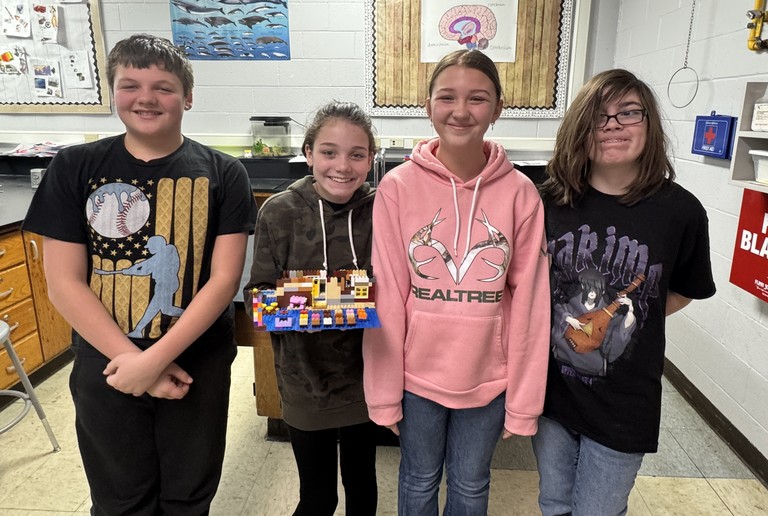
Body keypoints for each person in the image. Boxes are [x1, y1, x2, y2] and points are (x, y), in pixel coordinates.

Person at [22, 34, 257, 515]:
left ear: (187, 97)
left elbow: (222, 282)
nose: (146, 97)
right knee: (119, 497)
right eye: (130, 84)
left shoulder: (225, 173)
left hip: (197, 364)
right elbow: (64, 282)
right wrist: (136, 363)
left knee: (189, 495)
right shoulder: (74, 166)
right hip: (106, 363)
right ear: (113, 91)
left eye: (163, 87)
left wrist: (156, 361)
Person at [362, 49, 551, 515]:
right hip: (415, 376)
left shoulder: (521, 193)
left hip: (489, 378)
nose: (461, 111)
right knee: (418, 480)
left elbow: (530, 303)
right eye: (447, 97)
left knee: (470, 485)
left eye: (478, 98)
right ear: (428, 106)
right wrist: (383, 393)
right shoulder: (398, 188)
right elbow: (387, 291)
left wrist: (524, 401)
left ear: (498, 108)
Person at [532, 69, 716, 516]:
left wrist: (616, 328)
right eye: (599, 115)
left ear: (649, 125)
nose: (612, 124)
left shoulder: (681, 212)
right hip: (551, 393)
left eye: (628, 113)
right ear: (580, 128)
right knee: (554, 502)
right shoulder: (546, 200)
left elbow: (682, 292)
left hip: (624, 403)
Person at [244, 101, 379, 515]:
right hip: (304, 378)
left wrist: (316, 299)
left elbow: (400, 291)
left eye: (357, 154)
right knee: (318, 496)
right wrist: (353, 298)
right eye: (329, 152)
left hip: (368, 376)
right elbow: (260, 304)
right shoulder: (279, 212)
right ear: (307, 153)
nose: (343, 165)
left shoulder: (383, 209)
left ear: (371, 160)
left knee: (362, 488)